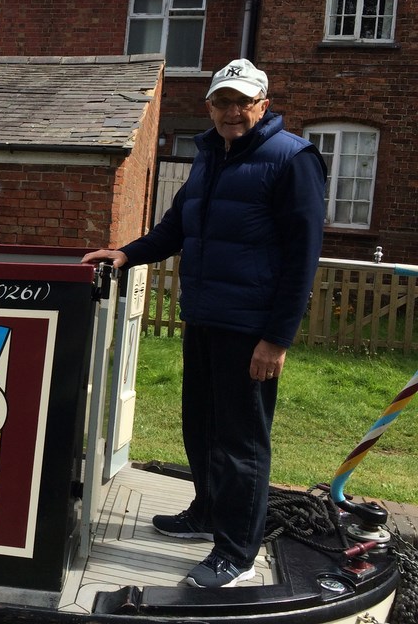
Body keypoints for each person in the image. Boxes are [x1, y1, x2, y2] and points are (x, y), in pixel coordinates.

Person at [82, 58, 327, 589]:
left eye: (243, 102)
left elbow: (302, 258)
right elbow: (177, 226)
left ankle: (236, 553)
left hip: (251, 329)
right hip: (205, 317)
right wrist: (125, 254)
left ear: (263, 105)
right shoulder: (210, 156)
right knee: (201, 426)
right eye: (222, 102)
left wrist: (276, 339)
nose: (232, 111)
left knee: (241, 442)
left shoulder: (292, 159)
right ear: (210, 106)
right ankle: (208, 512)